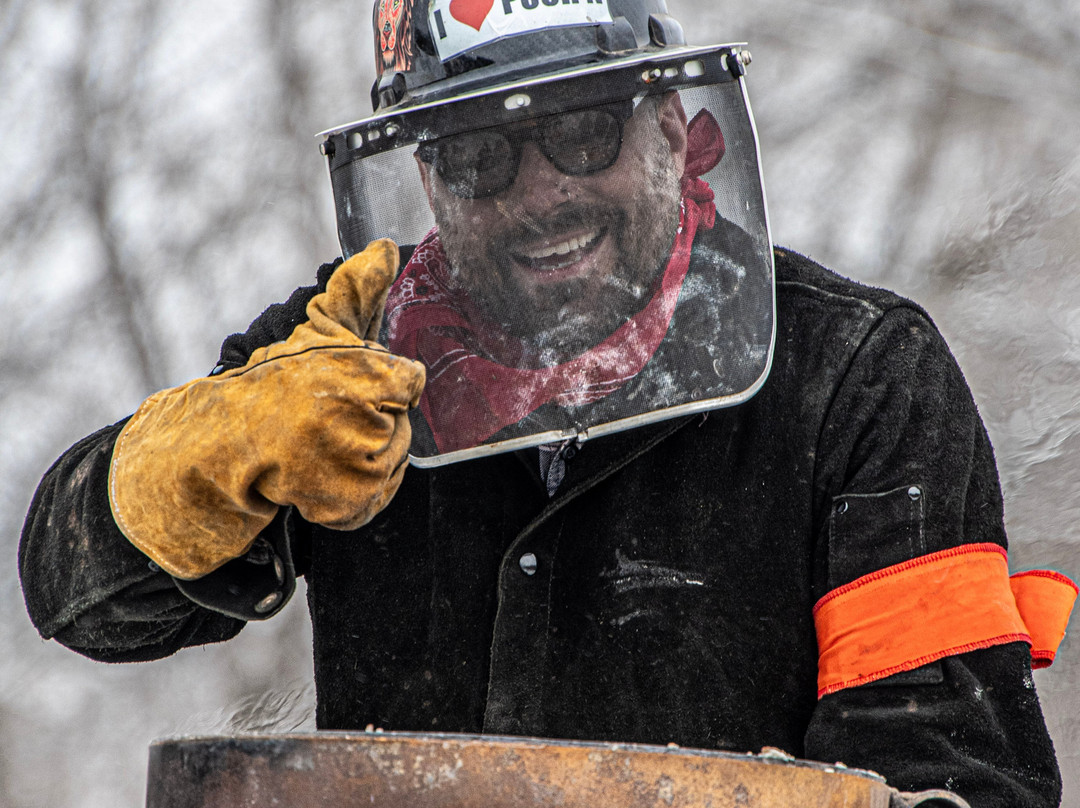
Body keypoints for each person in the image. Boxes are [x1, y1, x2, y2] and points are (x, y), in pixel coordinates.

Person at [18, 2, 1076, 806]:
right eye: (481, 154)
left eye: (582, 132)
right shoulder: (348, 360)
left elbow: (959, 772)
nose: (540, 194)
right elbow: (78, 595)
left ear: (670, 123)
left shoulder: (857, 375)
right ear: (428, 179)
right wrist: (201, 460)